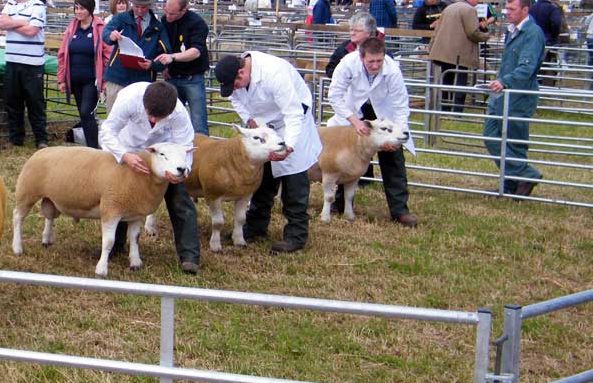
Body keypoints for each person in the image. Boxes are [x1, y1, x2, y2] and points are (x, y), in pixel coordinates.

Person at [214, 51, 322, 254]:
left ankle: (296, 235)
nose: (234, 89)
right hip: (265, 126)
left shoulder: (274, 73)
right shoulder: (237, 80)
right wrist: (251, 120)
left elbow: (293, 112)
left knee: (293, 180)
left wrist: (288, 146)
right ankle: (256, 226)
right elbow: (236, 99)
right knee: (262, 177)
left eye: (235, 84)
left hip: (291, 123)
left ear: (241, 72)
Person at [100, 80, 200, 274]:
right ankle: (116, 246)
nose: (153, 119)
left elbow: (185, 146)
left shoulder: (179, 113)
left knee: (179, 199)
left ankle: (189, 256)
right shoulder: (129, 97)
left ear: (170, 112)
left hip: (165, 157)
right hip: (129, 149)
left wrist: (183, 171)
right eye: (149, 114)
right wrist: (124, 155)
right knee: (121, 196)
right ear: (144, 104)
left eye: (159, 117)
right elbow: (108, 130)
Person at [327, 36, 417, 226]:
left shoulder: (392, 69)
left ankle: (400, 210)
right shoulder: (347, 64)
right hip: (353, 112)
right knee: (347, 157)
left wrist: (396, 137)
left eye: (379, 60)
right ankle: (340, 203)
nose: (376, 65)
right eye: (371, 61)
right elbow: (334, 96)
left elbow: (401, 105)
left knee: (393, 160)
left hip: (384, 114)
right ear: (361, 58)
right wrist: (354, 121)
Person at [483, 0, 546, 198]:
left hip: (519, 95)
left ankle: (522, 178)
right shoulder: (514, 31)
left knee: (514, 140)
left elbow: (526, 68)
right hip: (504, 93)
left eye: (512, 9)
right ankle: (518, 178)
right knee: (493, 136)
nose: (507, 13)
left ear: (525, 10)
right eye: (507, 9)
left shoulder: (532, 33)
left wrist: (504, 81)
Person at [0, 0, 48, 148]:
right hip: (12, 60)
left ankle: (41, 138)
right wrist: (23, 22)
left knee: (35, 102)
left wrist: (12, 23)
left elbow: (32, 31)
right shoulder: (9, 4)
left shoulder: (38, 6)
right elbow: (0, 23)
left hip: (32, 64)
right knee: (13, 101)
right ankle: (16, 138)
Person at [101, 0, 168, 113]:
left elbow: (165, 54)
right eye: (136, 6)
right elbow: (106, 32)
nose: (139, 10)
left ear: (149, 5)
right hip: (118, 77)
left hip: (142, 81)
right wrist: (111, 36)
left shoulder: (158, 28)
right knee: (114, 118)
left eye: (143, 7)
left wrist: (153, 65)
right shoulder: (121, 19)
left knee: (139, 121)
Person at [427, 0, 489, 112]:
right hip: (460, 53)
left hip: (443, 51)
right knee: (461, 82)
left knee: (447, 81)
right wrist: (486, 36)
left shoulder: (449, 8)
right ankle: (457, 110)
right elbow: (472, 32)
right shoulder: (469, 10)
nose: (478, 0)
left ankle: (445, 108)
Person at [57, 0, 108, 149]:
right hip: (74, 78)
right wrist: (61, 79)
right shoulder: (72, 28)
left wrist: (105, 79)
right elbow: (62, 54)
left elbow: (107, 54)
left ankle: (93, 147)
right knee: (83, 114)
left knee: (87, 112)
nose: (78, 12)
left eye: (82, 9)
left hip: (91, 79)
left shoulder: (100, 27)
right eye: (76, 8)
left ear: (90, 10)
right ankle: (89, 146)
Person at [158, 0, 210, 135]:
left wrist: (172, 58)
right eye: (166, 12)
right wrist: (165, 66)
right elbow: (163, 46)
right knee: (170, 120)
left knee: (198, 121)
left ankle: (201, 154)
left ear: (183, 11)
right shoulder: (164, 21)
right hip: (172, 77)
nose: (168, 17)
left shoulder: (197, 24)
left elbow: (196, 51)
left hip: (193, 78)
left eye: (173, 14)